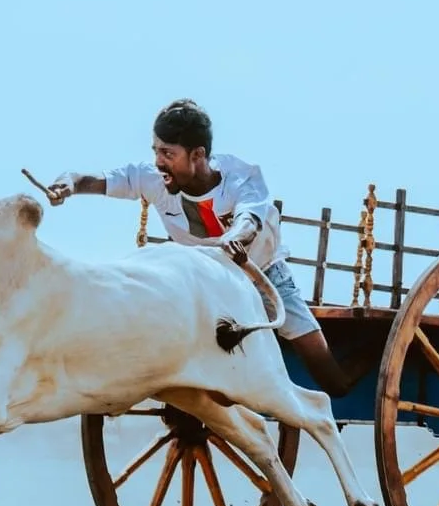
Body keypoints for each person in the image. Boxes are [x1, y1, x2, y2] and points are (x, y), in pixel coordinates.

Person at [41, 98, 373, 397]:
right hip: (205, 289)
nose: (158, 161)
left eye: (168, 154)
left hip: (263, 279)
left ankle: (378, 350)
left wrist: (231, 241)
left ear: (198, 155)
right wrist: (66, 185)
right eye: (156, 150)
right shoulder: (152, 179)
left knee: (333, 383)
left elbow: (249, 221)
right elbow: (91, 180)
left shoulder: (242, 177)